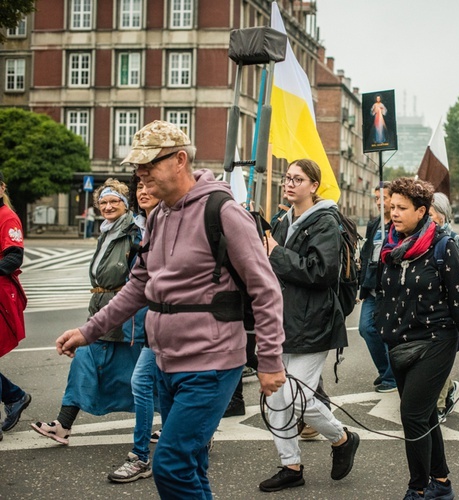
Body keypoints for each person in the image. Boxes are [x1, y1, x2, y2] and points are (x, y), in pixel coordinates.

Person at [54, 120, 286, 498]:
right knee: (192, 464)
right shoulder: (159, 214)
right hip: (165, 362)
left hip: (210, 364)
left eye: (149, 165)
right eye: (137, 167)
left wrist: (271, 360)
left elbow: (265, 288)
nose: (140, 174)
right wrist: (88, 331)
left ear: (180, 160)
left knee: (171, 465)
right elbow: (139, 285)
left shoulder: (223, 211)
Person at [377, 177, 459, 499]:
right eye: (391, 206)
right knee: (424, 416)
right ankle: (440, 483)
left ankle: (419, 489)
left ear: (422, 210)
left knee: (411, 415)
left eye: (401, 208)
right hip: (398, 342)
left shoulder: (443, 245)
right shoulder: (389, 245)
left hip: (436, 340)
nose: (393, 212)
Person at [260, 159, 359, 493]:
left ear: (314, 186)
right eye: (287, 178)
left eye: (297, 179)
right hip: (282, 320)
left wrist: (275, 254)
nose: (289, 183)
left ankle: (342, 438)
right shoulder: (283, 220)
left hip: (314, 321)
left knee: (298, 398)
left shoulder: (325, 222)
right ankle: (291, 465)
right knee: (275, 396)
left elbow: (321, 273)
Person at [33, 178, 144, 445]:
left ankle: (191, 429)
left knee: (145, 375)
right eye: (103, 202)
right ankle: (63, 425)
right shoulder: (107, 231)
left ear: (125, 203)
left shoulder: (133, 232)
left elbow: (140, 276)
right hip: (102, 310)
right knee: (86, 360)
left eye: (113, 201)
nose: (107, 206)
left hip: (125, 315)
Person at [107, 176, 161, 483]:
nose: (143, 191)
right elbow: (136, 283)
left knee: (153, 384)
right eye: (138, 186)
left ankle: (143, 456)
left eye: (148, 185)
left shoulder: (176, 222)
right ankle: (143, 455)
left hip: (177, 325)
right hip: (150, 323)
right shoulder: (144, 227)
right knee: (148, 384)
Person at [429, 192, 459, 420]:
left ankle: (438, 408)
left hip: (447, 315)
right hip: (426, 315)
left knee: (438, 362)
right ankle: (445, 393)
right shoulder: (421, 240)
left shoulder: (455, 243)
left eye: (429, 214)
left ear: (442, 215)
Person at [0, 177, 31, 441]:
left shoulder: (7, 216)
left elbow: (13, 257)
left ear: (1, 188)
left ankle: (15, 396)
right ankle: (14, 395)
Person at [358, 182, 397, 393]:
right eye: (376, 198)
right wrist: (361, 285)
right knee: (366, 328)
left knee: (389, 332)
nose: (380, 202)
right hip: (372, 288)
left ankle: (392, 378)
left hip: (390, 290)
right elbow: (366, 254)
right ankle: (385, 371)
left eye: (384, 197)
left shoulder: (398, 225)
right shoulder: (374, 224)